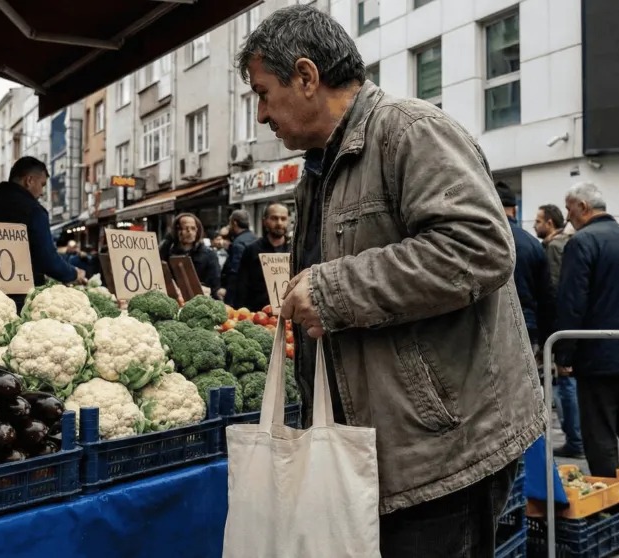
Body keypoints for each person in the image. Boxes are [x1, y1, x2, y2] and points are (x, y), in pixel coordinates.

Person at [237, 6, 544, 556]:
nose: (261, 114)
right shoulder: (318, 170)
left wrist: (331, 292)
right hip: (375, 448)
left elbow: (478, 248)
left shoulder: (412, 130)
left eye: (262, 93)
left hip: (439, 455)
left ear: (306, 77)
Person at [555, 181, 619, 518]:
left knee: (600, 433)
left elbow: (572, 303)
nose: (567, 217)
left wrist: (564, 355)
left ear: (581, 207)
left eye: (568, 210)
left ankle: (609, 506)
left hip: (600, 357)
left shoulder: (582, 242)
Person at [0, 157, 85, 298]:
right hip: (19, 301)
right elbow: (48, 260)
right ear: (29, 181)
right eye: (42, 185)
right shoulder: (34, 211)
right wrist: (74, 273)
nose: (42, 192)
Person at [533, 203, 583, 458]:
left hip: (558, 329)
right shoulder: (570, 242)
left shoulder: (553, 247)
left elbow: (553, 292)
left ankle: (574, 440)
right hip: (573, 327)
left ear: (549, 223)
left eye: (538, 221)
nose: (534, 225)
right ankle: (576, 438)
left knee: (563, 383)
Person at [495, 182, 554, 349]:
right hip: (526, 326)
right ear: (514, 210)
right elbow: (546, 297)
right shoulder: (532, 243)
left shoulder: (478, 239)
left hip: (489, 328)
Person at [237, 203, 291, 312]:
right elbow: (242, 285)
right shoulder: (251, 250)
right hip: (258, 314)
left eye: (283, 218)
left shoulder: (296, 250)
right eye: (274, 218)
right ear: (264, 221)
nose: (279, 223)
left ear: (288, 221)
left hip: (290, 313)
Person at [159, 213, 221, 298]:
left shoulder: (209, 255)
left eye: (193, 228)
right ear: (177, 231)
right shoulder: (166, 252)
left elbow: (214, 285)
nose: (190, 232)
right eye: (185, 228)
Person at [221, 209, 257, 308]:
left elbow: (235, 272)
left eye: (230, 223)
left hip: (240, 295)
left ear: (234, 223)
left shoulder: (238, 243)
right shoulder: (255, 239)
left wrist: (228, 300)